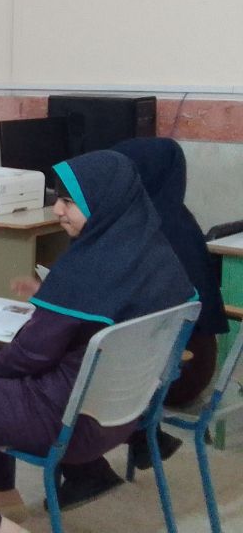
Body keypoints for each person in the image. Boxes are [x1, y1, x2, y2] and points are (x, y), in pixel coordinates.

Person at [0, 151, 197, 533]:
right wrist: (51, 297)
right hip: (123, 416)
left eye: (69, 201)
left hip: (63, 419)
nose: (57, 210)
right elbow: (105, 310)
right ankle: (1, 496)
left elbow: (29, 356)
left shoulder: (86, 267)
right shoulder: (155, 255)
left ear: (103, 203)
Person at [53, 137, 229, 507]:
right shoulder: (175, 218)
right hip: (184, 362)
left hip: (176, 373)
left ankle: (88, 469)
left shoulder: (147, 233)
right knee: (96, 348)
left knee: (63, 363)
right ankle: (145, 436)